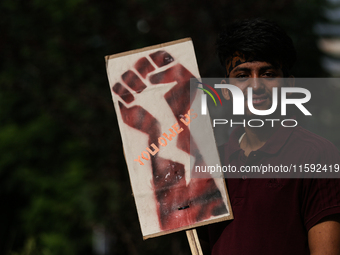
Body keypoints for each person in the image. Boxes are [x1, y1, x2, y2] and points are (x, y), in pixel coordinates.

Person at [199, 18, 340, 255]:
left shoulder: (316, 154)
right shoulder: (212, 163)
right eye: (242, 75)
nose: (256, 86)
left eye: (267, 74)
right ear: (225, 89)